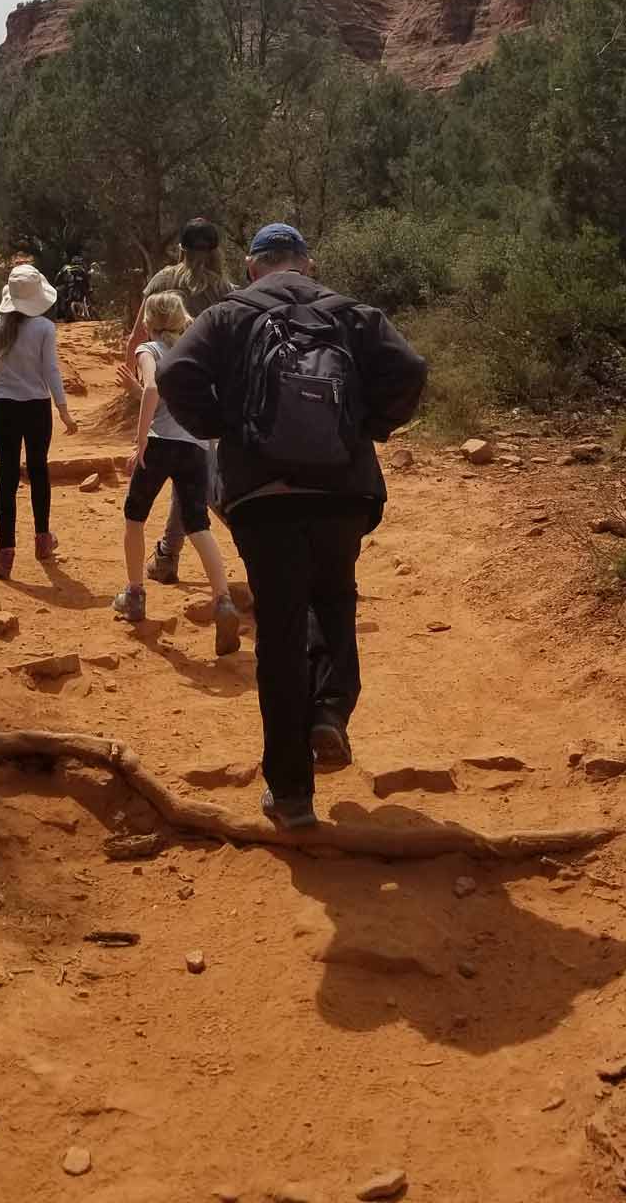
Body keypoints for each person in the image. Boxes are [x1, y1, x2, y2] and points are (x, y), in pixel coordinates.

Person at [156, 222, 427, 831]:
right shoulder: (351, 314)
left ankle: (291, 793)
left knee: (279, 632)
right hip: (343, 490)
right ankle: (329, 711)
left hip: (261, 495)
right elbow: (410, 368)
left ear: (254, 268)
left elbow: (174, 377)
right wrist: (368, 427)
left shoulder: (228, 316)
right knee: (335, 601)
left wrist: (227, 428)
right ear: (307, 263)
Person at [113, 289, 241, 657]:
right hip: (194, 446)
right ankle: (223, 601)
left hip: (159, 443)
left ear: (150, 322)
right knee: (198, 525)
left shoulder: (149, 350)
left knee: (134, 516)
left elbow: (154, 390)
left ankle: (135, 595)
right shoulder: (194, 353)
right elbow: (164, 400)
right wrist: (134, 389)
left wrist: (139, 442)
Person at [120, 219, 233, 585]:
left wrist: (136, 380)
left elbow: (137, 335)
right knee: (195, 474)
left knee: (197, 486)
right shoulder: (227, 291)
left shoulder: (163, 281)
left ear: (180, 249)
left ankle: (168, 556)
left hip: (164, 396)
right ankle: (169, 554)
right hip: (209, 396)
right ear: (216, 251)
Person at [0, 262, 78, 580]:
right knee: (39, 469)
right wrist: (63, 409)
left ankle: (5, 553)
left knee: (7, 476)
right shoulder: (45, 329)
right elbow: (51, 370)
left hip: (5, 407)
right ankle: (43, 540)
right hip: (37, 407)